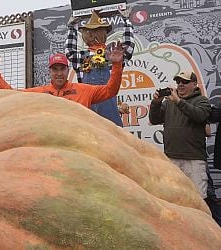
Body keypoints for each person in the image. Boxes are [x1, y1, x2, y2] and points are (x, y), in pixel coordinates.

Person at [0, 41, 124, 109]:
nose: (59, 73)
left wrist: (117, 65)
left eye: (62, 69)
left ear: (68, 70)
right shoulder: (39, 93)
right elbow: (10, 94)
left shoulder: (85, 90)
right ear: (49, 72)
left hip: (80, 145)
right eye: (55, 69)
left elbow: (110, 90)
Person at [65, 9, 135, 127]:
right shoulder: (87, 56)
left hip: (103, 117)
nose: (90, 35)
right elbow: (128, 48)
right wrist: (126, 21)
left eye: (95, 31)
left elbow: (69, 50)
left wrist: (71, 27)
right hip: (91, 117)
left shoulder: (111, 54)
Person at [149, 71, 211, 199]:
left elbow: (199, 116)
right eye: (178, 82)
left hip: (194, 159)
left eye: (185, 82)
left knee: (198, 199)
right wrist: (156, 103)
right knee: (175, 198)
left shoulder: (202, 100)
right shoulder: (168, 102)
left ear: (194, 84)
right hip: (172, 158)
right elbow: (154, 119)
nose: (180, 85)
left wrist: (178, 102)